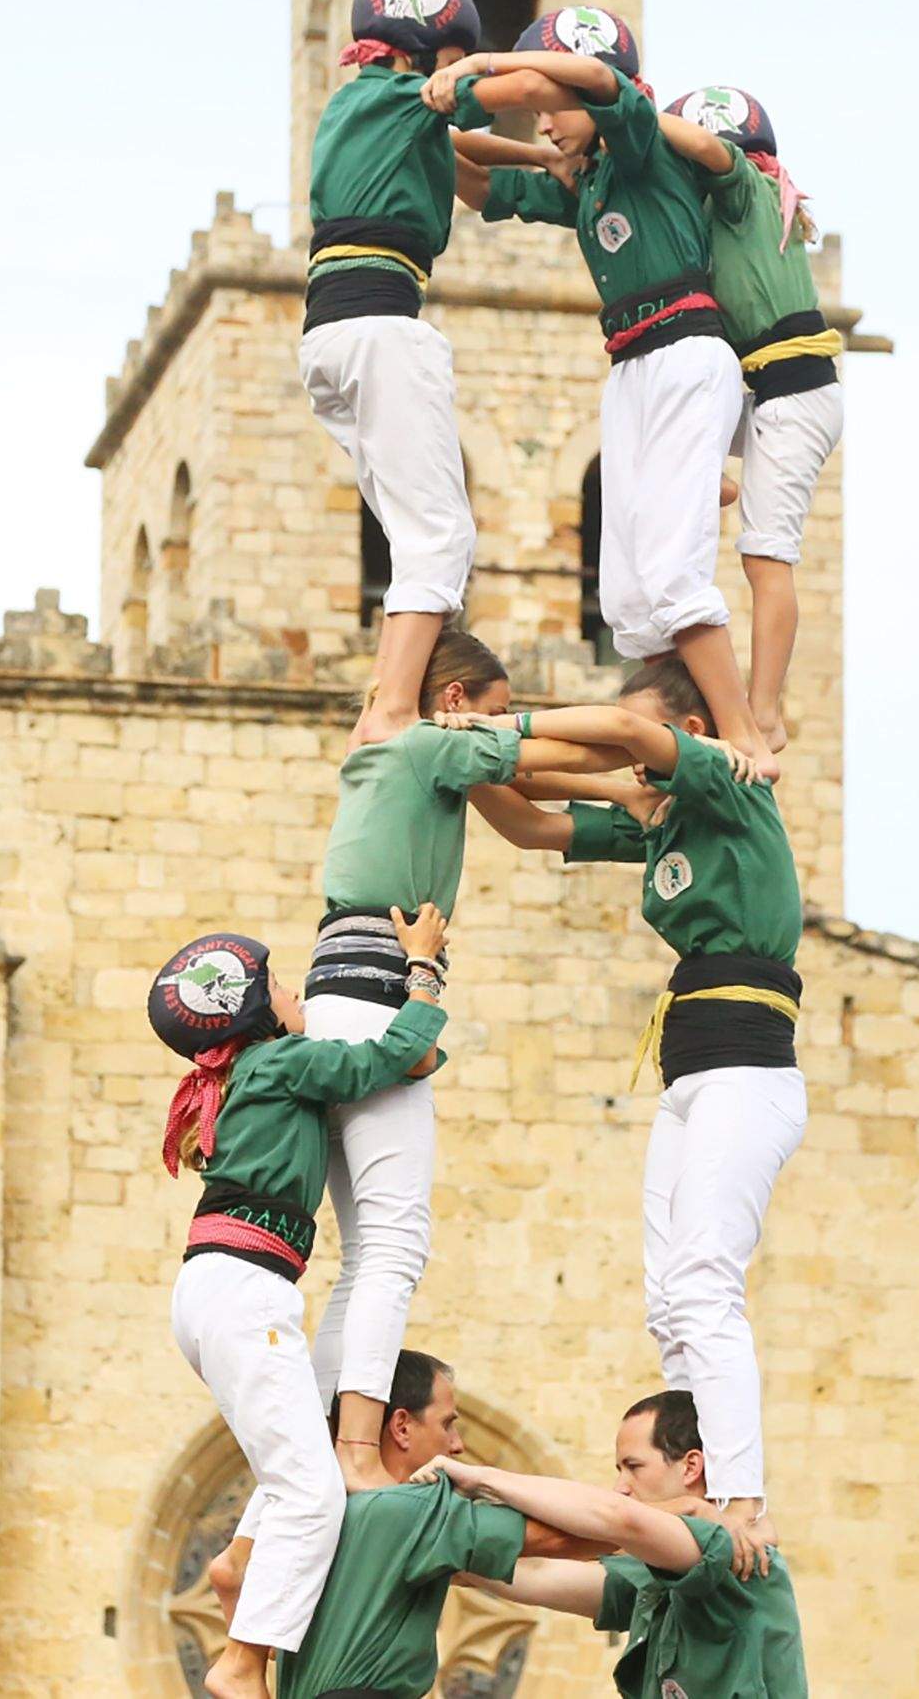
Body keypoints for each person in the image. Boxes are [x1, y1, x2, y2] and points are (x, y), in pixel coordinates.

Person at [439, 657, 805, 1571]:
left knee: (707, 1281)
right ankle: (691, 1470)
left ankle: (742, 1497)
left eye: (640, 739)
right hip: (689, 1075)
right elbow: (527, 819)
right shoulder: (663, 816)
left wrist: (514, 729)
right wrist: (464, 757)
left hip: (745, 1073)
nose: (630, 759)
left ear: (689, 731)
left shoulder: (731, 782)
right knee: (667, 1301)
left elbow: (632, 740)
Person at [305, 630, 650, 1488]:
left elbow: (531, 816)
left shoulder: (402, 760)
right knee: (393, 1249)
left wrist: (639, 820)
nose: (502, 731)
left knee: (364, 1253)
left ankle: (315, 1445)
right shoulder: (426, 744)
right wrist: (681, 753)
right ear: (454, 703)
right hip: (384, 989)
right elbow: (563, 746)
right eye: (492, 714)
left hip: (337, 989)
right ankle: (353, 1451)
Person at [424, 10, 778, 777]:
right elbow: (478, 181)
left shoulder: (644, 149)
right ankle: (677, 725)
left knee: (678, 574)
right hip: (630, 370)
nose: (546, 123)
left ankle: (746, 733)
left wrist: (479, 65)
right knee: (627, 592)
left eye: (553, 106)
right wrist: (425, 121)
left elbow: (602, 84)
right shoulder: (587, 186)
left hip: (686, 353)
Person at [156, 916, 449, 1699]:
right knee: (312, 1492)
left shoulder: (245, 1076)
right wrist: (422, 970)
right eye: (282, 984)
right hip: (246, 1292)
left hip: (219, 1290)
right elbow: (396, 1056)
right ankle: (243, 1661)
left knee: (297, 1455)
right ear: (257, 1013)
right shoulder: (283, 1061)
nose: (296, 993)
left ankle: (240, 1560)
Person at [301, 0, 561, 749]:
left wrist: (545, 162)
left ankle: (386, 696)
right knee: (440, 536)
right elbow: (503, 100)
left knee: (413, 531)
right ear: (428, 54)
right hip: (385, 326)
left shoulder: (361, 106)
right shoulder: (411, 97)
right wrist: (563, 87)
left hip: (329, 336)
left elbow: (461, 147)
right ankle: (387, 712)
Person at [201, 1350, 689, 1699]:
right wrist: (689, 1518)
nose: (457, 1445)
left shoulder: (326, 1512)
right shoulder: (410, 1509)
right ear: (401, 1427)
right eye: (448, 1423)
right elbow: (565, 1539)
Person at [656, 85, 843, 754]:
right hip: (765, 393)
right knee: (669, 433)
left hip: (791, 392)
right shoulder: (741, 212)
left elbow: (710, 149)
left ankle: (765, 712)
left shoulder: (744, 193)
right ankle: (717, 489)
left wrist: (632, 111)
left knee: (767, 556)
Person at [445, 1390, 811, 1698]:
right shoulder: (656, 1576)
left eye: (633, 1467)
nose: (622, 1485)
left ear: (690, 1466)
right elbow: (537, 1573)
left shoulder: (731, 1547)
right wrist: (441, 1554)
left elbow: (618, 1519)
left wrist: (483, 1479)